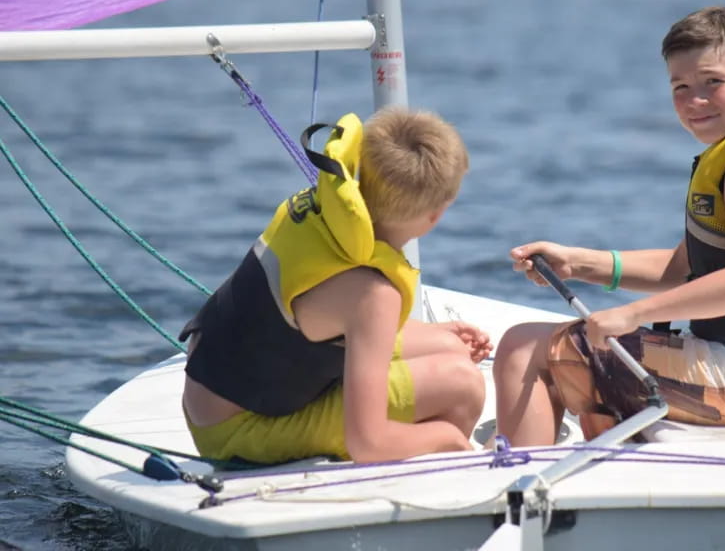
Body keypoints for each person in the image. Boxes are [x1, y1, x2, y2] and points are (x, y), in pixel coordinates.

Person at [494, 5, 725, 445]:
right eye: (681, 86)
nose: (695, 100)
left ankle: (516, 491)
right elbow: (682, 269)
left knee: (523, 347)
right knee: (590, 387)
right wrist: (578, 263)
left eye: (713, 82)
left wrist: (631, 314)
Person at [180, 106, 491, 464]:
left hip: (209, 396)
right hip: (241, 430)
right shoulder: (375, 295)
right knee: (462, 386)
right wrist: (447, 439)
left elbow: (328, 314)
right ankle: (421, 488)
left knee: (452, 347)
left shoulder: (325, 214)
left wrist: (437, 335)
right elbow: (366, 443)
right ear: (435, 216)